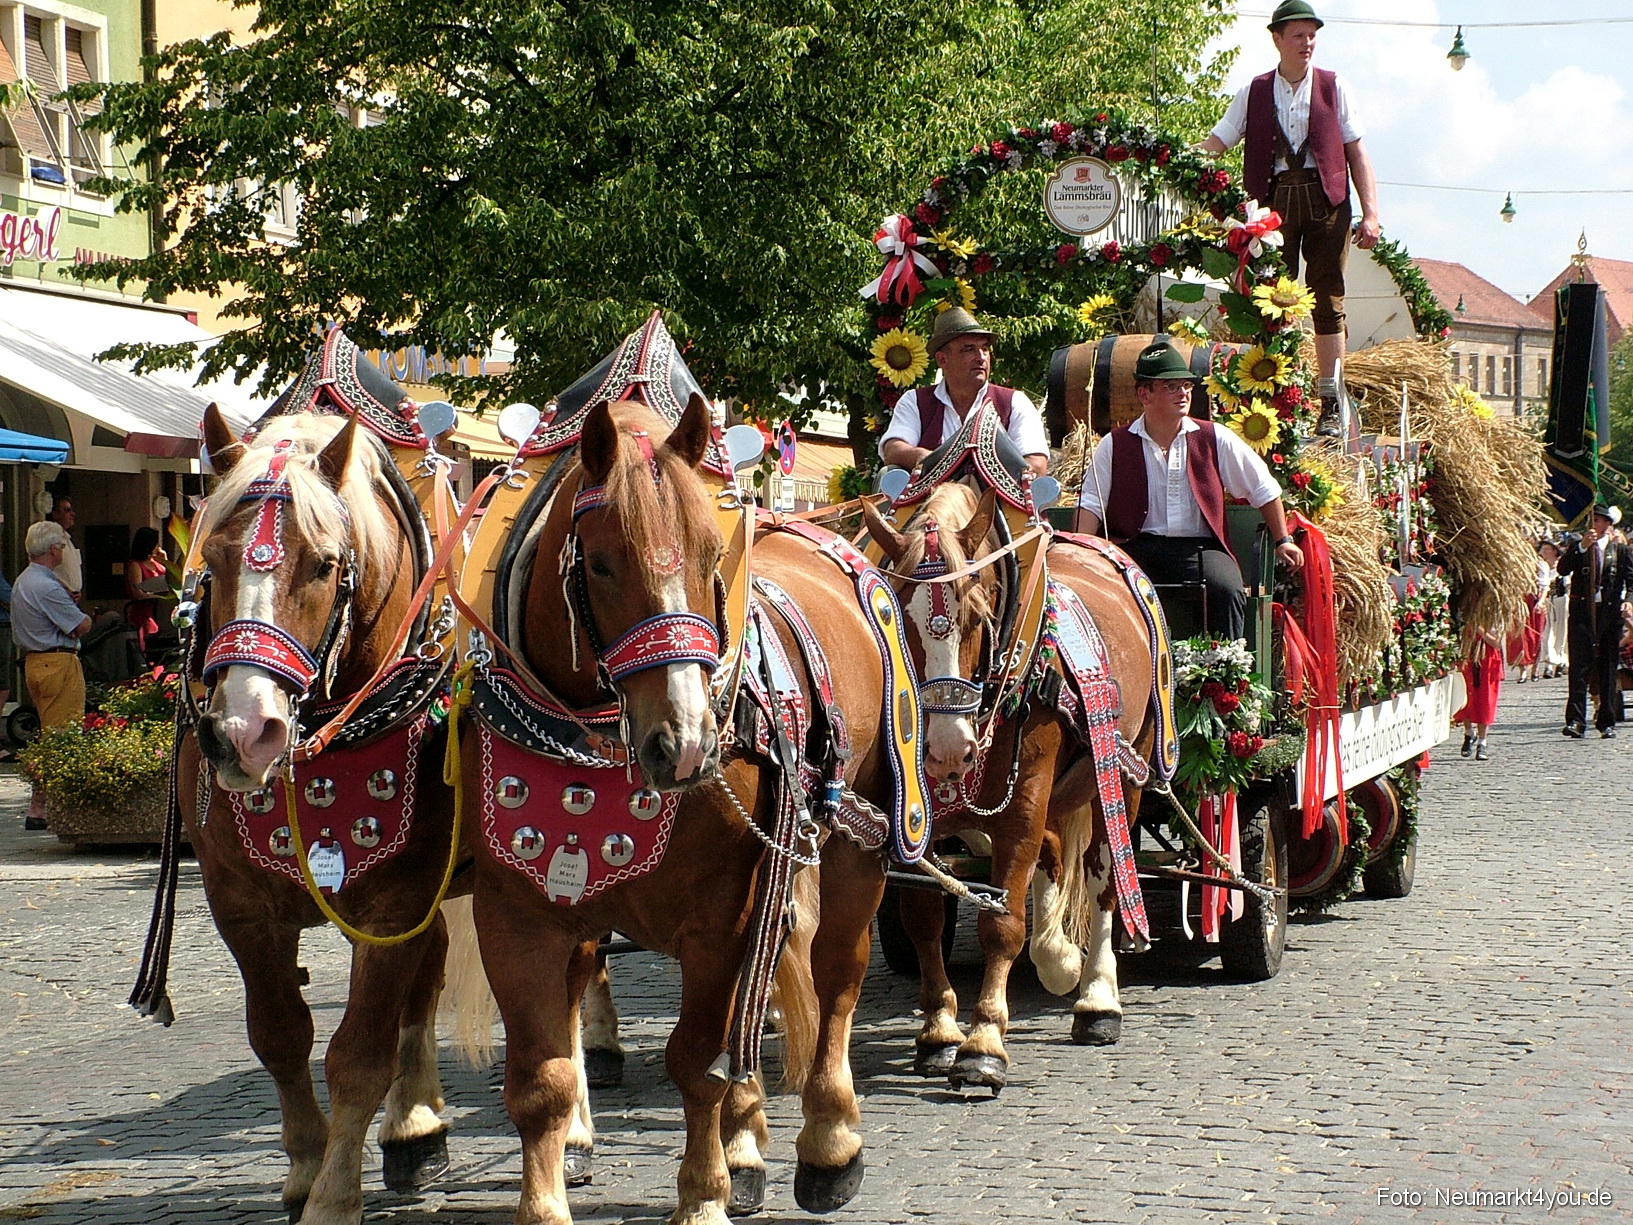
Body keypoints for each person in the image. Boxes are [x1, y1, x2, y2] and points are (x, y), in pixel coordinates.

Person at [1197, 0, 1381, 435]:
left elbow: (1357, 152)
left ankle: (1330, 401)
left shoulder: (1335, 87)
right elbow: (1216, 144)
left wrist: (1371, 213)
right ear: (1277, 39)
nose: (1307, 43)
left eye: (1312, 35)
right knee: (1268, 300)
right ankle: (1270, 392)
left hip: (1326, 201)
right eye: (1298, 35)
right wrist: (1176, 167)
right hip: (1271, 204)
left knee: (1327, 297)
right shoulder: (1254, 92)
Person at [1071, 340, 1304, 642]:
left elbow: (1263, 488)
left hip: (1200, 549)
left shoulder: (1213, 437)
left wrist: (1283, 540)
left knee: (1226, 590)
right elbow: (1091, 504)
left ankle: (1226, 676)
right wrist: (1081, 554)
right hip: (1134, 548)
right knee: (1106, 589)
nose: (1183, 393)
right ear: (1144, 394)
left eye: (1186, 385)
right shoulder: (1115, 444)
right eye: (1170, 386)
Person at [878, 308, 1050, 476]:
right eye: (969, 349)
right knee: (887, 475)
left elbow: (1036, 464)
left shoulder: (1014, 402)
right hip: (931, 502)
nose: (981, 357)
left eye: (984, 349)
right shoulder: (915, 401)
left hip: (996, 502)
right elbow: (893, 450)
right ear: (942, 359)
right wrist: (926, 458)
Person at [13, 521, 92, 829]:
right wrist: (82, 614)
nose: (63, 550)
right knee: (63, 737)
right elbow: (80, 625)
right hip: (57, 662)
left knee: (51, 735)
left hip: (36, 662)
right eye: (61, 545)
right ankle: (49, 807)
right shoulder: (45, 585)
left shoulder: (27, 580)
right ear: (52, 550)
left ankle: (42, 805)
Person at [1557, 505, 1630, 739]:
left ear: (1608, 525)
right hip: (1582, 614)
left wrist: (1628, 601)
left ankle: (1606, 720)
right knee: (1579, 668)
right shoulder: (1579, 548)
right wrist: (1581, 547)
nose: (1594, 525)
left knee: (1608, 668)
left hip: (1608, 615)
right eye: (1593, 520)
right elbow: (1562, 569)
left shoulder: (1619, 551)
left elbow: (1631, 581)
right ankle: (1576, 720)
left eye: (1599, 521)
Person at [1456, 626, 1504, 761]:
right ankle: (1469, 733)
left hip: (1487, 661)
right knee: (1465, 698)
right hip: (1468, 656)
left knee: (1485, 701)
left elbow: (1496, 643)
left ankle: (1482, 742)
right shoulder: (1466, 616)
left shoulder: (1493, 618)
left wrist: (1480, 630)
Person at [124, 527, 168, 652]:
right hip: (144, 613)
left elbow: (171, 580)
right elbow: (137, 592)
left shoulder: (156, 563)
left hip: (161, 612)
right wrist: (157, 597)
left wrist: (165, 560)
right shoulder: (136, 565)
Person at [1538, 539, 1569, 679]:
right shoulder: (1541, 567)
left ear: (1554, 551)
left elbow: (1568, 585)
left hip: (1561, 601)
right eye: (1543, 549)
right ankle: (1549, 664)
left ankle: (1561, 660)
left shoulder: (1562, 567)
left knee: (1561, 632)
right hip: (1548, 602)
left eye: (1547, 549)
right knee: (1547, 633)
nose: (1544, 551)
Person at [47, 496, 83, 599]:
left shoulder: (68, 540)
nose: (72, 514)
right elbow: (45, 569)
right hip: (58, 596)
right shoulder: (50, 538)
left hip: (72, 598)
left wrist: (77, 590)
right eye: (67, 510)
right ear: (55, 514)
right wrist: (65, 590)